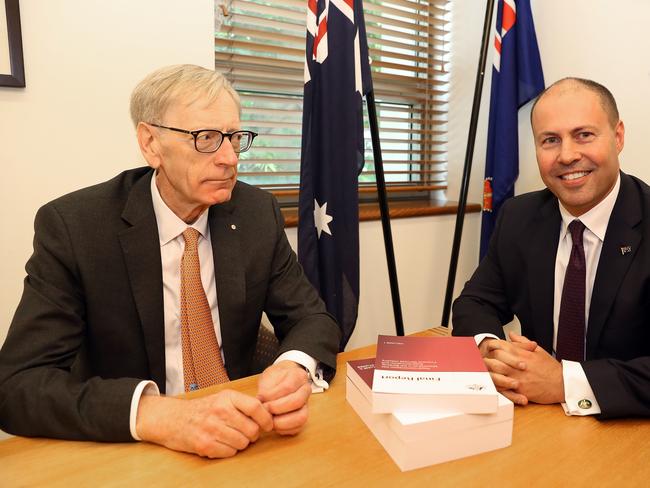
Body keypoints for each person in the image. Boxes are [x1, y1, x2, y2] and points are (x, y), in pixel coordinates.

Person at [0, 64, 341, 457]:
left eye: (233, 137)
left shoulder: (254, 212)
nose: (230, 158)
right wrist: (157, 415)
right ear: (151, 144)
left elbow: (312, 318)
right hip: (134, 451)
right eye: (207, 138)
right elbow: (18, 385)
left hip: (243, 432)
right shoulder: (76, 228)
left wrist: (294, 367)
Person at [452, 77, 650, 419]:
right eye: (550, 140)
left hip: (626, 433)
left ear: (617, 137)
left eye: (584, 135)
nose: (567, 155)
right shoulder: (519, 216)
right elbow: (475, 301)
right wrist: (490, 351)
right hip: (537, 419)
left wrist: (564, 381)